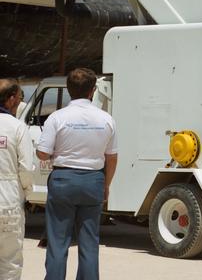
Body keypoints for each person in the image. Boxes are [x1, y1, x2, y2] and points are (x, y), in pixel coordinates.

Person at [36, 67, 117, 280]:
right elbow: (112, 157)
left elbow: (43, 154)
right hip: (93, 181)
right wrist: (106, 185)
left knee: (57, 243)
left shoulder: (57, 117)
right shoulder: (106, 119)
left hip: (63, 180)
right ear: (92, 90)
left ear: (69, 90)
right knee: (89, 244)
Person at [0, 79, 33, 280]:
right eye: (20, 98)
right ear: (11, 99)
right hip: (9, 201)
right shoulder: (17, 127)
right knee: (10, 262)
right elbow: (26, 168)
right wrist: (27, 195)